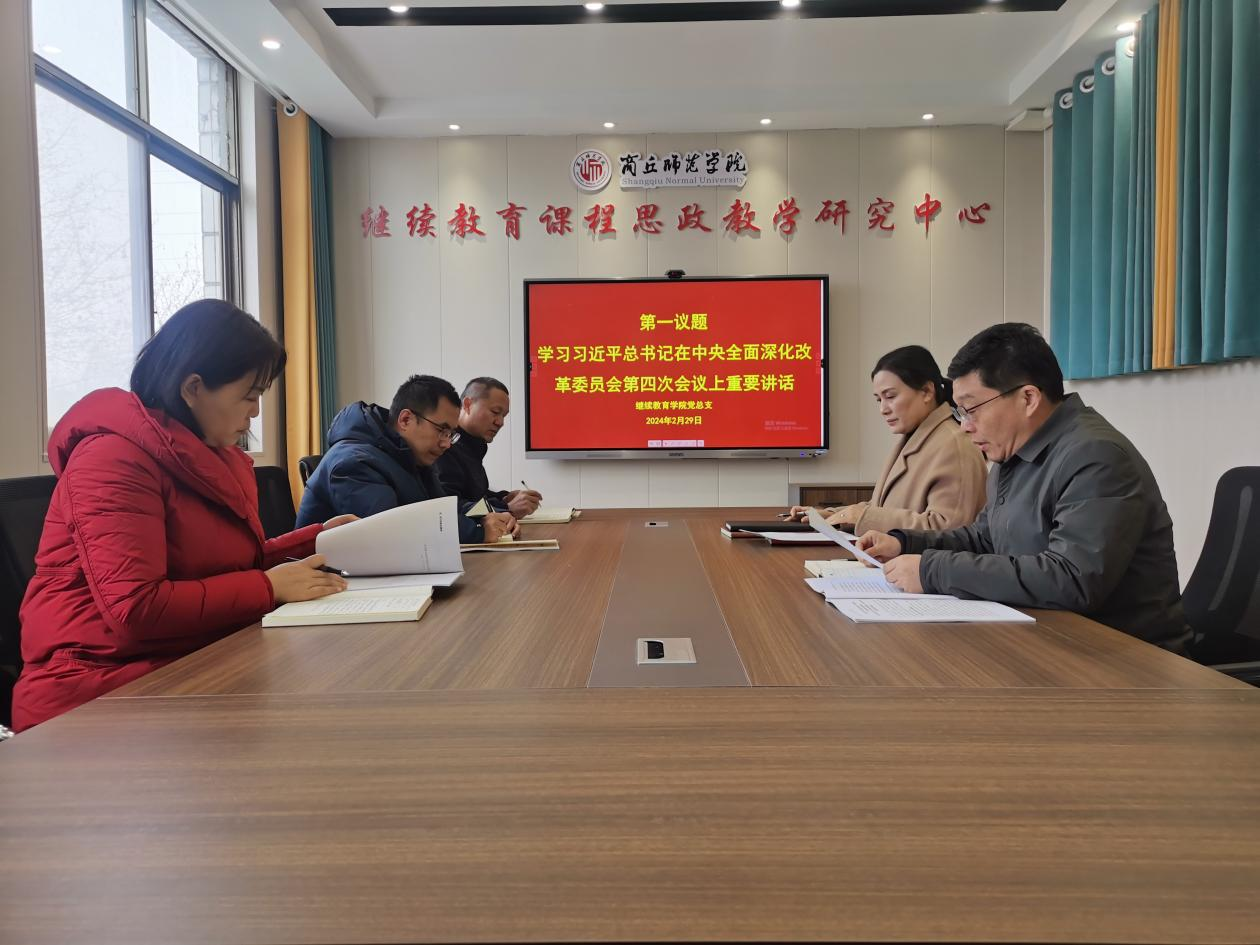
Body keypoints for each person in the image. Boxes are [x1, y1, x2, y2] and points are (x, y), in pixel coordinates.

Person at [12, 300, 354, 732]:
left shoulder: (211, 456)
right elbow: (136, 608)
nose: (254, 413)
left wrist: (319, 541)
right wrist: (268, 587)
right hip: (91, 692)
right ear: (193, 388)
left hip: (181, 660)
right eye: (249, 396)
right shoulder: (112, 458)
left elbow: (229, 567)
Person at [856, 323, 1190, 651]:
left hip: (1124, 658)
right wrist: (905, 543)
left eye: (971, 409)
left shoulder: (1095, 456)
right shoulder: (1012, 454)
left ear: (1028, 398)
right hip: (1050, 641)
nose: (965, 426)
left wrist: (932, 570)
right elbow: (985, 538)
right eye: (961, 412)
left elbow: (1072, 579)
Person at [296, 374, 516, 542]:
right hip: (327, 582)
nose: (446, 443)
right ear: (405, 420)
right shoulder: (354, 462)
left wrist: (490, 516)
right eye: (442, 430)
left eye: (451, 434)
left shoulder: (410, 458)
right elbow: (391, 533)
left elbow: (442, 510)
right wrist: (477, 531)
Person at [787, 345, 986, 532]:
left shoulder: (955, 446)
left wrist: (862, 517)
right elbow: (885, 508)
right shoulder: (918, 438)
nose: (883, 409)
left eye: (890, 396)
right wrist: (834, 514)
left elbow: (950, 530)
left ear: (927, 391)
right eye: (878, 399)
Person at [435, 377, 542, 519]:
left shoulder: (473, 446)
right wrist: (506, 508)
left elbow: (474, 496)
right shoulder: (445, 447)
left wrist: (504, 499)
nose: (500, 422)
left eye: (504, 416)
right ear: (467, 405)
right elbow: (450, 509)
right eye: (495, 412)